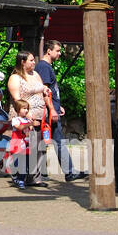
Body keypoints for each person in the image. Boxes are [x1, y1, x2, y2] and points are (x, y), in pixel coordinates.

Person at [35, 41, 86, 181]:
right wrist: (52, 108)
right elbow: (44, 90)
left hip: (53, 109)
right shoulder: (44, 67)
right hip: (49, 112)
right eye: (57, 50)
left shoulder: (45, 66)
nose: (59, 53)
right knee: (53, 141)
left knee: (54, 141)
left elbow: (51, 90)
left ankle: (62, 171)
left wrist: (58, 106)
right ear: (48, 51)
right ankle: (66, 172)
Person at [6, 51, 50, 186]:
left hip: (39, 118)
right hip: (24, 118)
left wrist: (51, 106)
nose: (34, 62)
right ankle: (20, 176)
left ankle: (35, 177)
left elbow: (44, 89)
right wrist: (27, 113)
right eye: (31, 60)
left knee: (39, 147)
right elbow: (17, 98)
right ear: (23, 62)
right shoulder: (15, 77)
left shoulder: (36, 74)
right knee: (24, 148)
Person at [5, 101, 33, 190]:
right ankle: (15, 176)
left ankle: (21, 180)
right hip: (17, 144)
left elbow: (29, 131)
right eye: (24, 108)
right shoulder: (15, 120)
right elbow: (19, 127)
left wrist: (31, 124)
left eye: (27, 108)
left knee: (25, 163)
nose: (26, 110)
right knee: (16, 163)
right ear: (18, 110)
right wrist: (30, 124)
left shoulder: (28, 120)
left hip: (26, 144)